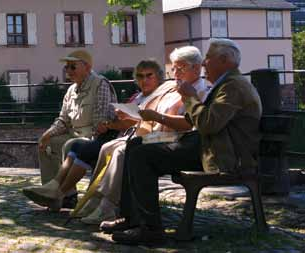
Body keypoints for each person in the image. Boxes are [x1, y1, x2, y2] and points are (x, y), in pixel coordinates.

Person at [99, 38, 263, 245]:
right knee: (135, 146)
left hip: (223, 155)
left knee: (142, 155)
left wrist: (190, 98)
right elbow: (200, 121)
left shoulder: (233, 86)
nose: (204, 64)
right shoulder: (227, 84)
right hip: (210, 146)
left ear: (224, 60)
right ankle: (133, 219)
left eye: (208, 59)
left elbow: (207, 124)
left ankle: (151, 230)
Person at [78, 47, 209, 225]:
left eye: (181, 68)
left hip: (176, 138)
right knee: (109, 146)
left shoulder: (200, 90)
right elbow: (151, 112)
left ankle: (109, 206)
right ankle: (94, 199)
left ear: (197, 68)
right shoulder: (172, 87)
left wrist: (155, 117)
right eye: (174, 68)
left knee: (123, 151)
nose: (176, 73)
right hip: (160, 134)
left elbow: (188, 123)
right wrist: (131, 115)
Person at [30, 50, 118, 209]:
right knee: (47, 144)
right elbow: (63, 120)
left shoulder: (100, 84)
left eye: (72, 67)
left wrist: (90, 138)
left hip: (93, 136)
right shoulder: (71, 90)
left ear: (87, 67)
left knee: (69, 144)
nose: (68, 71)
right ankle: (53, 193)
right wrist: (47, 134)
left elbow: (101, 121)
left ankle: (63, 195)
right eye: (66, 67)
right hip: (74, 133)